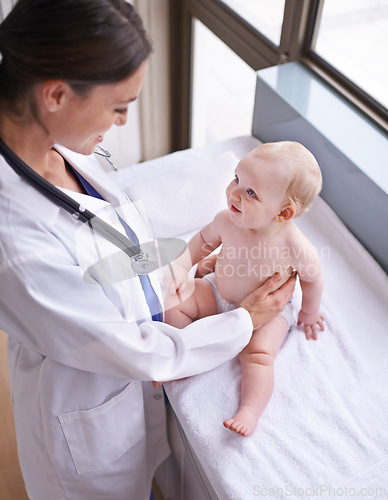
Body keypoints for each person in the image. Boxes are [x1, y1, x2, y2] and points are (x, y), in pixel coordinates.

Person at [0, 1, 295, 499]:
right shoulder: (16, 243)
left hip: (127, 371)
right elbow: (130, 348)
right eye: (119, 107)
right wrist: (244, 319)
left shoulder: (53, 144)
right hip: (85, 424)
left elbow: (107, 244)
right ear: (55, 94)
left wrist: (178, 266)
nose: (121, 123)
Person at [162, 141, 325, 437]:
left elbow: (313, 279)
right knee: (174, 301)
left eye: (251, 193)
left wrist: (309, 311)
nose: (234, 192)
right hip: (218, 292)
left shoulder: (296, 247)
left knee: (259, 356)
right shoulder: (228, 221)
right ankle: (183, 355)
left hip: (269, 314)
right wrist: (182, 267)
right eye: (237, 179)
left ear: (283, 214)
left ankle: (249, 410)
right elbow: (202, 242)